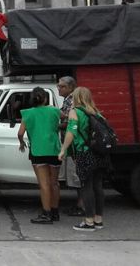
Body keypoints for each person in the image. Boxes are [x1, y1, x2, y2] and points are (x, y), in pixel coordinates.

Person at [58, 87, 110, 231]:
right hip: (100, 154)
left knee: (86, 187)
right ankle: (98, 220)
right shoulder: (96, 112)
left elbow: (71, 132)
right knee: (98, 186)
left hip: (85, 153)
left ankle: (88, 221)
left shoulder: (76, 112)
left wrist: (63, 149)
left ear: (76, 97)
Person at [18, 87, 62, 224]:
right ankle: (55, 211)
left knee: (44, 184)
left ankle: (46, 213)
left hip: (37, 150)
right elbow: (66, 119)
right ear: (45, 98)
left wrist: (21, 143)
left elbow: (20, 133)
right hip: (54, 149)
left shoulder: (27, 113)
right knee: (54, 183)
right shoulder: (55, 110)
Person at [57, 76, 84, 216]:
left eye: (62, 86)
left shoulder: (72, 100)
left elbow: (71, 121)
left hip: (74, 144)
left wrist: (57, 124)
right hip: (73, 144)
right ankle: (80, 204)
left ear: (70, 87)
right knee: (76, 176)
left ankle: (82, 206)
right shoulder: (68, 99)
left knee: (77, 175)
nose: (59, 88)